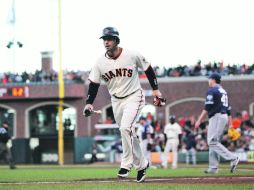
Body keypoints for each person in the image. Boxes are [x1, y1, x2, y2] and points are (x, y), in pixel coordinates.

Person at [83, 27, 165, 183]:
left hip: (134, 96)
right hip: (116, 100)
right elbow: (93, 84)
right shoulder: (100, 62)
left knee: (125, 128)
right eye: (104, 39)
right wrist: (88, 104)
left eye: (109, 38)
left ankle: (126, 164)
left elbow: (148, 69)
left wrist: (155, 90)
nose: (106, 42)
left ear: (116, 40)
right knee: (128, 132)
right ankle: (142, 165)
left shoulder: (131, 54)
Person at [194, 72, 239, 174]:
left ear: (213, 79)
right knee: (214, 142)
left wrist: (199, 120)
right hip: (222, 116)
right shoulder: (223, 91)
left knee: (212, 142)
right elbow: (228, 109)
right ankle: (213, 168)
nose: (208, 80)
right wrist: (230, 123)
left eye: (209, 79)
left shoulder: (213, 90)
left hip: (217, 117)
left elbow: (207, 107)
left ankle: (233, 158)